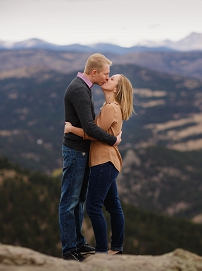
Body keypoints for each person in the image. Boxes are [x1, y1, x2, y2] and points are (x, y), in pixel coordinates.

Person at [60, 53, 121, 261]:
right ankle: (70, 250)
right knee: (70, 200)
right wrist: (113, 140)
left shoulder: (84, 87)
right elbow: (89, 126)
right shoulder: (79, 89)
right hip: (76, 151)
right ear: (94, 72)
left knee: (79, 200)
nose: (107, 77)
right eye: (106, 74)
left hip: (82, 151)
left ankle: (78, 243)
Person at [64, 74, 134, 256]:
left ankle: (102, 251)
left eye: (112, 79)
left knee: (94, 207)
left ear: (116, 89)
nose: (107, 79)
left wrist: (71, 129)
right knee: (113, 207)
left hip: (103, 162)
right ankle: (116, 248)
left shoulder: (111, 107)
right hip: (109, 162)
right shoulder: (111, 107)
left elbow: (93, 133)